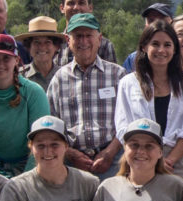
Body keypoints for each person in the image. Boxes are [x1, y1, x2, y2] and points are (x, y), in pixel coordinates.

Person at [115, 22, 183, 179]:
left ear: (174, 49)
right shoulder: (128, 83)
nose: (161, 50)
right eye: (155, 44)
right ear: (144, 46)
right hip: (139, 158)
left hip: (178, 161)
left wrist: (168, 160)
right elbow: (123, 127)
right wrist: (148, 156)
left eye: (167, 45)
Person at [45, 13, 124, 180]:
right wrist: (70, 153)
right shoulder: (59, 79)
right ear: (68, 40)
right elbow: (51, 124)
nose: (83, 41)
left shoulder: (118, 75)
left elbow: (128, 122)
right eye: (78, 36)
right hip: (71, 164)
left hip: (114, 162)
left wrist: (109, 153)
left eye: (89, 35)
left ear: (99, 38)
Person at [0, 34, 51, 175]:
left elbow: (41, 139)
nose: (0, 64)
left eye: (6, 58)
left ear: (16, 60)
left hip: (30, 162)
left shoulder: (33, 93)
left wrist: (25, 177)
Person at [57, 0, 119, 65]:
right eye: (71, 3)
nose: (76, 7)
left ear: (90, 8)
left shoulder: (104, 46)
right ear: (62, 8)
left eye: (81, 3)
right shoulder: (55, 43)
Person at [121, 3, 174, 72]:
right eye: (151, 21)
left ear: (172, 24)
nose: (156, 25)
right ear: (146, 25)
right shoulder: (133, 60)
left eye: (162, 20)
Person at [17, 17, 64, 91]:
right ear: (29, 47)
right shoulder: (19, 77)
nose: (42, 47)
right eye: (36, 42)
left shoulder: (64, 75)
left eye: (47, 42)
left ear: (56, 46)